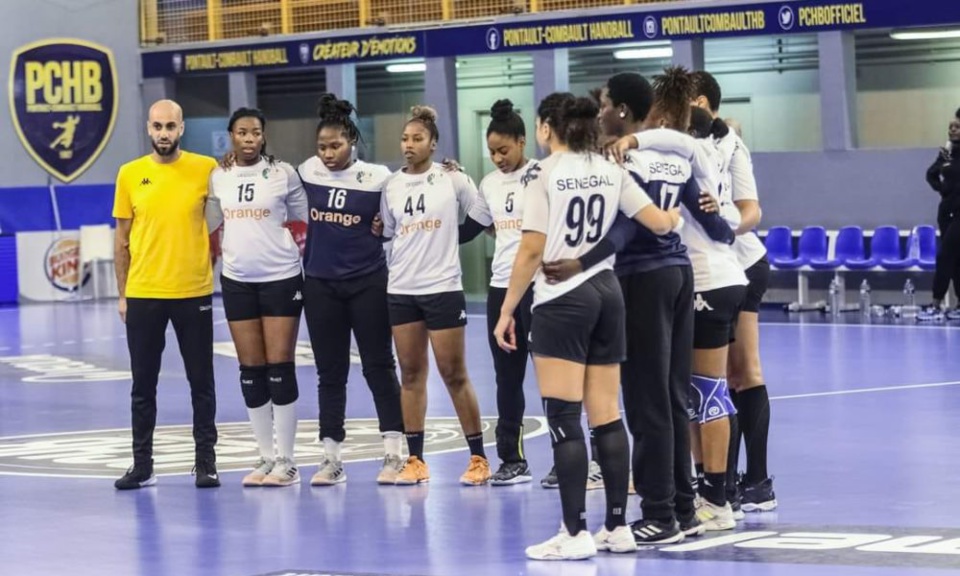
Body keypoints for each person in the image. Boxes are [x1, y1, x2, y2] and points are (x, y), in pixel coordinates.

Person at [543, 72, 733, 544]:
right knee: (671, 398)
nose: (600, 109)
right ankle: (684, 510)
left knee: (647, 402)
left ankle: (659, 514)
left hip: (642, 279)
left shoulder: (623, 157)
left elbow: (630, 228)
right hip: (679, 276)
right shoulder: (674, 157)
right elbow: (717, 228)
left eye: (605, 102)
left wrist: (580, 261)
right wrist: (723, 218)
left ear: (622, 111)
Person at [494, 92, 680, 560]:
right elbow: (657, 222)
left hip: (562, 300)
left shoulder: (544, 174)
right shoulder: (610, 168)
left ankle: (574, 532)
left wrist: (506, 309)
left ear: (544, 128)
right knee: (606, 415)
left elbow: (532, 249)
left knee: (563, 418)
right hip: (608, 294)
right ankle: (617, 526)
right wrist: (678, 214)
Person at [296, 94, 406, 485]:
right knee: (330, 372)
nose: (328, 154)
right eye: (322, 146)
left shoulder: (378, 177)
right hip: (322, 286)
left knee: (378, 366)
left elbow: (402, 208)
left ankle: (394, 453)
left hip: (368, 283)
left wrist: (446, 171)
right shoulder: (307, 170)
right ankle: (331, 458)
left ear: (352, 143)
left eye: (336, 146)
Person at [379, 105, 491, 486]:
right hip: (402, 289)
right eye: (405, 139)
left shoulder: (452, 178)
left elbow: (482, 215)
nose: (409, 145)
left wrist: (449, 238)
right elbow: (388, 233)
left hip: (443, 287)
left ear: (434, 143)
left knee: (454, 374)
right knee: (410, 374)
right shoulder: (391, 185)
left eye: (417, 139)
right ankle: (415, 460)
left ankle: (478, 457)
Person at [112, 99, 219, 490]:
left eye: (170, 126)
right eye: (157, 126)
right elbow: (121, 240)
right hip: (143, 293)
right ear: (148, 128)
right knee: (143, 384)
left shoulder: (206, 169)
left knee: (201, 382)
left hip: (194, 290)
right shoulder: (129, 174)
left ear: (182, 127)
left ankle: (205, 462)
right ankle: (142, 465)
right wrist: (122, 295)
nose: (163, 133)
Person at [205, 107, 307, 487]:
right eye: (242, 132)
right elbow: (209, 219)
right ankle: (265, 456)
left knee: (280, 367)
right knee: (251, 370)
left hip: (281, 275)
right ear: (231, 136)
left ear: (264, 137)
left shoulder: (283, 173)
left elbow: (305, 213)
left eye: (256, 132)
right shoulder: (219, 175)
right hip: (237, 279)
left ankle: (288, 460)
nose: (249, 139)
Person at [691, 71, 775, 513]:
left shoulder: (731, 145)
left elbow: (752, 210)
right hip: (714, 271)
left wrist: (726, 226)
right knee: (718, 378)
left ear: (701, 101)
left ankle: (755, 481)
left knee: (743, 373)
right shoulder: (679, 142)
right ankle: (720, 481)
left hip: (741, 263)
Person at [469, 99, 537, 485]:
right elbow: (471, 228)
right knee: (506, 378)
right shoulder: (489, 184)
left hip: (539, 288)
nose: (497, 158)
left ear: (523, 142)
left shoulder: (542, 175)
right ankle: (512, 459)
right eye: (492, 152)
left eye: (504, 150)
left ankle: (567, 461)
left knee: (551, 375)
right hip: (501, 289)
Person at [921, 115, 960, 319]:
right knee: (955, 260)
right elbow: (931, 174)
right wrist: (942, 189)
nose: (952, 130)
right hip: (946, 212)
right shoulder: (946, 154)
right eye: (950, 127)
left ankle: (935, 304)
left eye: (957, 127)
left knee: (944, 255)